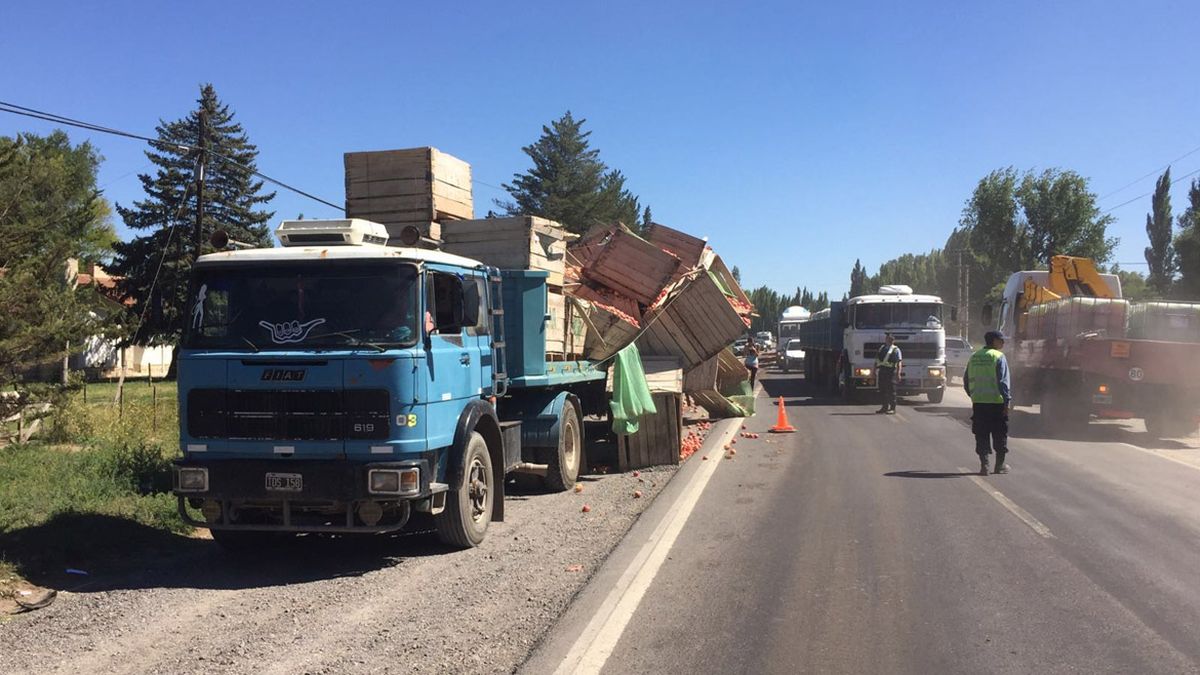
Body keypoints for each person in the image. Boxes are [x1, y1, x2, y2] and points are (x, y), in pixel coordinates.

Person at [964, 330, 1012, 475]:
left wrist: (973, 395)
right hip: (997, 403)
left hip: (979, 403)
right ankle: (1000, 465)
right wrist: (1007, 402)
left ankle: (984, 465)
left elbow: (966, 381)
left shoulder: (974, 357)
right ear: (993, 341)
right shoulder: (998, 357)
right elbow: (1003, 382)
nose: (1003, 343)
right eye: (1000, 340)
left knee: (981, 433)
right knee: (1000, 433)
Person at [875, 333, 902, 414]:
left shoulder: (896, 350)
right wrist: (873, 371)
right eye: (888, 338)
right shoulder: (882, 348)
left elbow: (899, 362)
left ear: (893, 340)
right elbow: (876, 361)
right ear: (886, 339)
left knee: (891, 390)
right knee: (882, 390)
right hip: (882, 371)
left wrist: (898, 373)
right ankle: (884, 407)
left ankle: (892, 408)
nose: (889, 340)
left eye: (891, 339)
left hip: (891, 372)